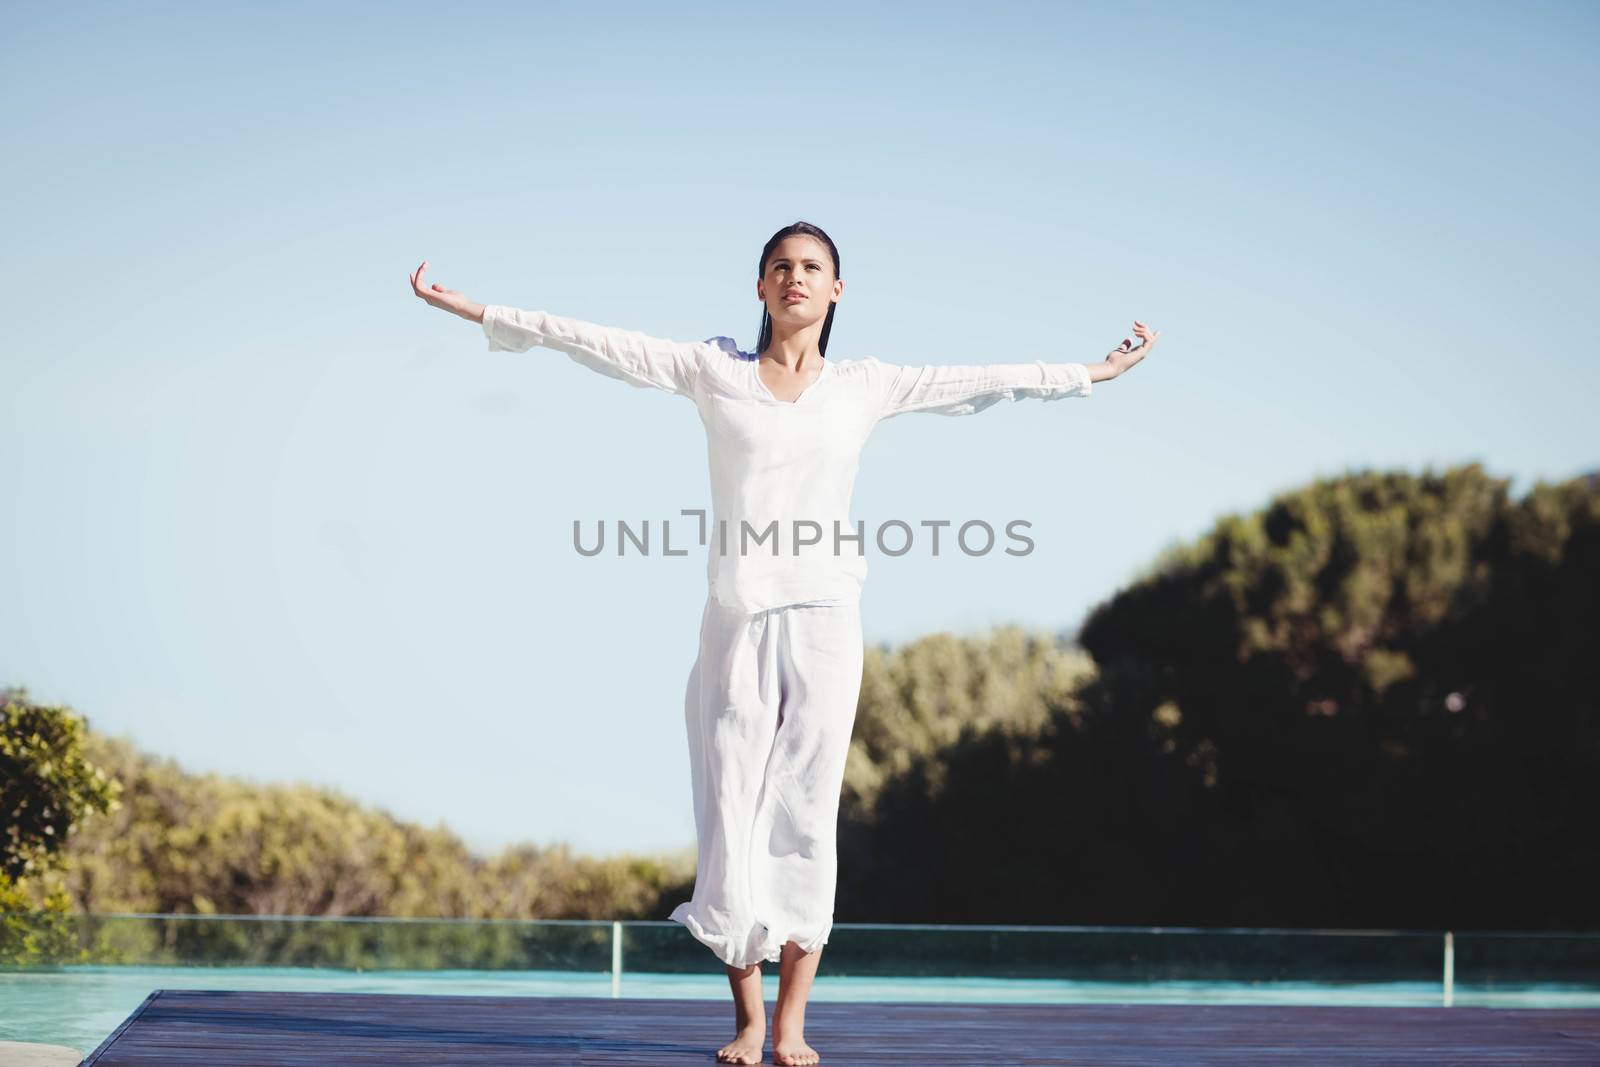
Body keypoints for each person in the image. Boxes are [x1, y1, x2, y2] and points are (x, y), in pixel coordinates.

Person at [410, 221, 1159, 1066]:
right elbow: (597, 342)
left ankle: (794, 1022)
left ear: (836, 290)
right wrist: (480, 311)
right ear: (760, 287)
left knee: (805, 809)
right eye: (780, 267)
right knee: (731, 803)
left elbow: (981, 380)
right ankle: (748, 1021)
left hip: (826, 618)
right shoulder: (714, 370)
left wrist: (1092, 372)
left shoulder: (865, 386)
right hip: (735, 618)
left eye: (811, 268)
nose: (795, 278)